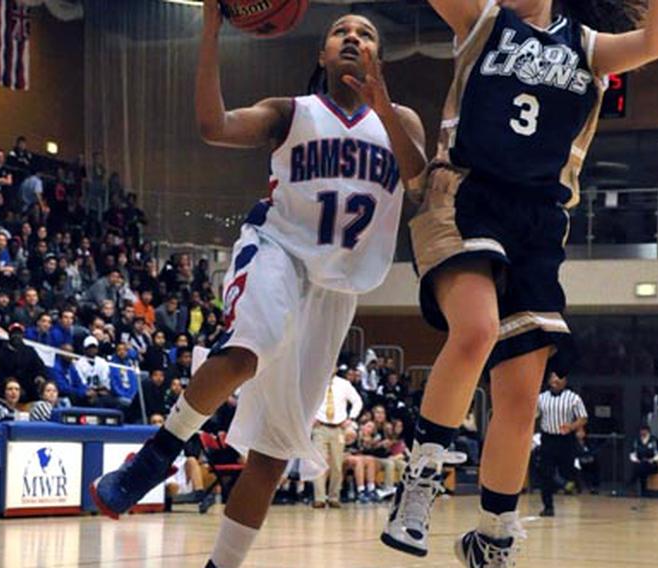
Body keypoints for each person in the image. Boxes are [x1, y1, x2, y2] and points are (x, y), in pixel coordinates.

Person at [92, 6, 426, 568]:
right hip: (277, 252)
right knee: (254, 343)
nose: (351, 37)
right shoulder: (291, 111)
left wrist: (382, 100)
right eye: (339, 31)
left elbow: (417, 181)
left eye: (364, 33)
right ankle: (155, 456)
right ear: (321, 55)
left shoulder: (402, 122)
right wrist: (210, 31)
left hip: (336, 290)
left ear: (379, 56)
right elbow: (213, 126)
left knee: (272, 454)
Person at [382, 0, 658, 565]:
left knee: (519, 396)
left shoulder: (588, 46)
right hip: (469, 195)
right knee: (475, 330)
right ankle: (417, 485)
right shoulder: (484, 20)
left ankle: (493, 537)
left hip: (540, 221)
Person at [535, 372, 587, 516]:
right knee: (545, 473)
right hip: (548, 438)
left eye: (559, 377)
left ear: (565, 381)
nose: (556, 380)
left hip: (566, 439)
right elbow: (535, 415)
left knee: (567, 470)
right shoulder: (541, 398)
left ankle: (570, 484)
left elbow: (583, 418)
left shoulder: (573, 398)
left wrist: (571, 427)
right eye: (553, 377)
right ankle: (548, 507)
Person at [312, 370, 363, 508]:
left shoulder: (344, 384)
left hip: (339, 428)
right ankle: (319, 498)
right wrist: (310, 417)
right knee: (318, 463)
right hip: (320, 427)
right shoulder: (315, 381)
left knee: (336, 465)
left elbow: (357, 401)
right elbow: (304, 400)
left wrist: (351, 418)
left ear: (336, 368)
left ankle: (334, 497)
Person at [0, 323, 47, 402]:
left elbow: (39, 367)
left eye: (19, 334)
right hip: (6, 387)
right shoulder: (0, 352)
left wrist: (39, 376)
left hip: (28, 387)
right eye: (14, 334)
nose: (17, 336)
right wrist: (11, 384)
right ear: (9, 335)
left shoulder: (30, 351)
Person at [629, 425, 658, 496]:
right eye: (641, 430)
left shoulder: (654, 440)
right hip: (640, 463)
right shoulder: (636, 440)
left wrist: (652, 459)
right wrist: (636, 460)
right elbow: (632, 453)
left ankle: (631, 483)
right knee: (641, 467)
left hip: (652, 464)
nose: (642, 432)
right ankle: (644, 491)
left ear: (648, 431)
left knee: (641, 467)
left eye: (644, 430)